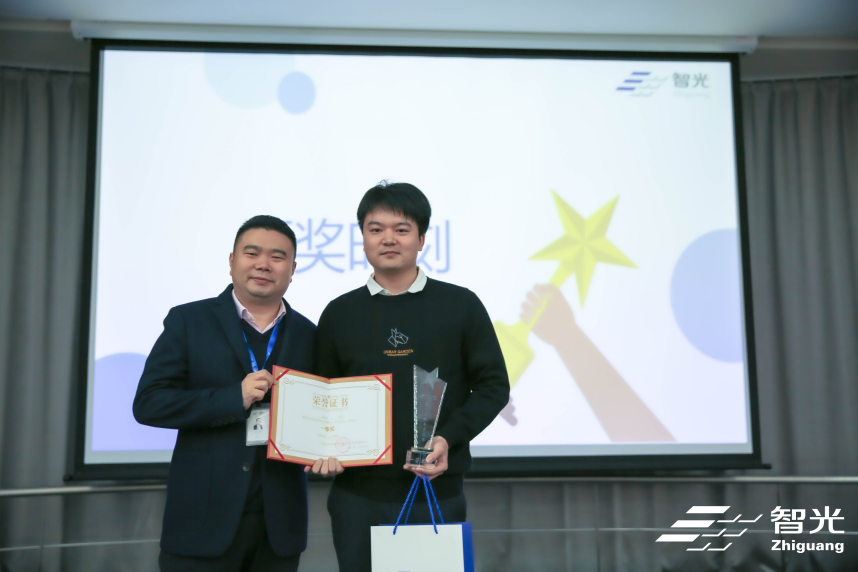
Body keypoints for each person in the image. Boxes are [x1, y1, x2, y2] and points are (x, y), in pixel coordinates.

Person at [312, 181, 510, 572]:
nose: (388, 238)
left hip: (435, 493)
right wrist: (320, 447)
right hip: (356, 498)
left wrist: (447, 437)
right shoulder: (339, 313)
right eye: (376, 229)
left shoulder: (461, 305)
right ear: (363, 239)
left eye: (401, 229)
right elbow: (321, 396)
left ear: (421, 239)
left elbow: (493, 387)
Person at [133, 215, 315, 572]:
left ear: (292, 269)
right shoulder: (189, 321)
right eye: (252, 253)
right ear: (232, 261)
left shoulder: (311, 335)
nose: (263, 264)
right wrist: (234, 398)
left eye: (277, 257)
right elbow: (149, 403)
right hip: (201, 523)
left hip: (278, 530)